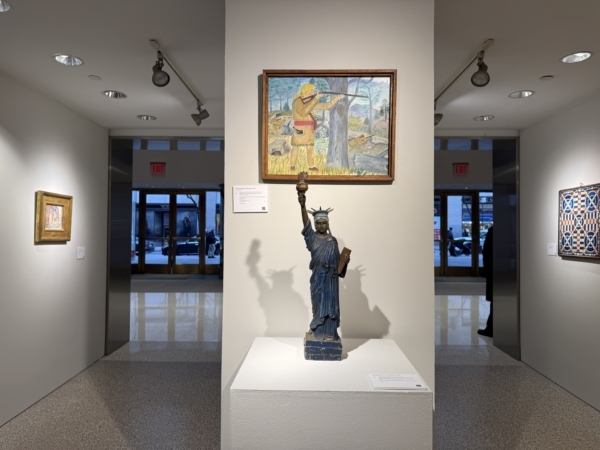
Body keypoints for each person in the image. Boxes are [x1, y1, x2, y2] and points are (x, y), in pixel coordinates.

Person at [298, 189, 350, 341]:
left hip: (331, 282)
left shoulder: (332, 241)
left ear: (328, 224)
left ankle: (330, 335)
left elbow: (339, 266)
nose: (321, 226)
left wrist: (345, 261)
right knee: (318, 306)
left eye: (324, 223)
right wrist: (303, 205)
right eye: (318, 223)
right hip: (318, 280)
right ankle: (317, 332)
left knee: (330, 308)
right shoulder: (312, 239)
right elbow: (306, 224)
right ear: (315, 225)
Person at [290, 83, 342, 171]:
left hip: (309, 130)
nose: (312, 93)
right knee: (296, 147)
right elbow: (303, 112)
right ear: (305, 91)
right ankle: (292, 165)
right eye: (310, 91)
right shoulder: (297, 101)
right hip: (300, 128)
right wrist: (315, 99)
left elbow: (326, 106)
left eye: (313, 91)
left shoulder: (310, 101)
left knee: (310, 148)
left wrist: (337, 98)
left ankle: (311, 166)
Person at [478, 226, 494, 337]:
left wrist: (487, 269)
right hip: (511, 271)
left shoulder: (493, 230)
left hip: (495, 271)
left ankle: (491, 328)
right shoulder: (515, 228)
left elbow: (486, 251)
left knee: (495, 301)